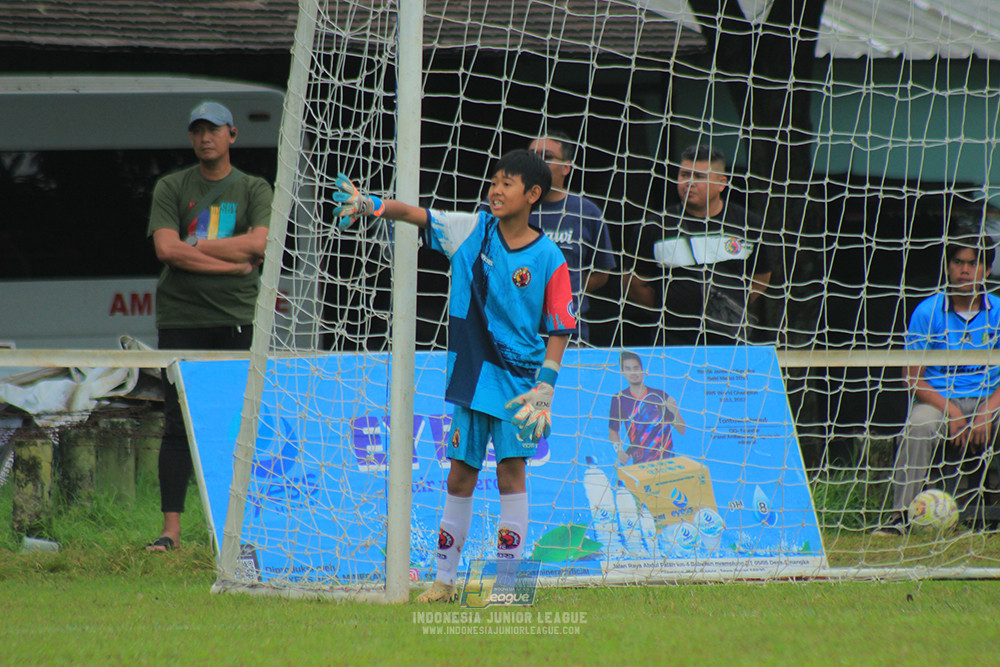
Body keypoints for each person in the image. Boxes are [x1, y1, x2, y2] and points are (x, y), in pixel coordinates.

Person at [331, 149, 576, 602]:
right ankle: (442, 582)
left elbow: (560, 328)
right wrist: (373, 205)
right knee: (459, 478)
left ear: (533, 194)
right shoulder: (472, 231)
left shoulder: (549, 257)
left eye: (507, 183)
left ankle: (507, 586)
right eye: (494, 181)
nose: (496, 189)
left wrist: (546, 389)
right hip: (471, 379)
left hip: (520, 388)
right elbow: (417, 214)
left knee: (511, 477)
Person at [145, 101, 272, 551]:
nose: (205, 138)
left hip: (236, 317)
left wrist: (196, 243)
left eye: (214, 130)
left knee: (241, 423)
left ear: (232, 135)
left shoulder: (254, 187)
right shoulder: (171, 186)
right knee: (177, 424)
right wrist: (228, 263)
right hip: (182, 318)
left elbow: (260, 244)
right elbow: (166, 250)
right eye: (197, 130)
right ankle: (170, 532)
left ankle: (242, 529)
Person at [874, 221, 1000, 536]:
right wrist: (952, 411)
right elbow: (913, 379)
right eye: (958, 262)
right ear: (947, 266)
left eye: (974, 263)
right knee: (917, 426)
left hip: (991, 400)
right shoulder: (926, 312)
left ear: (986, 269)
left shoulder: (998, 310)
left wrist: (986, 410)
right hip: (941, 402)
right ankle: (900, 517)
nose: (965, 270)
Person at [626, 144, 772, 345]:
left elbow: (761, 277)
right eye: (684, 175)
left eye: (699, 177)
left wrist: (732, 303)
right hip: (673, 343)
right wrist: (671, 311)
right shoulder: (653, 226)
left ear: (721, 183)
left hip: (730, 343)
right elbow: (634, 284)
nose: (689, 183)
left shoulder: (749, 224)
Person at [527, 131, 616, 345]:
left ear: (566, 167)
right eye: (531, 156)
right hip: (514, 328)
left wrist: (565, 289)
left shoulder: (586, 211)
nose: (537, 163)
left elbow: (602, 272)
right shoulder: (506, 205)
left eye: (547, 157)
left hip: (567, 330)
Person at [609, 351, 686, 465]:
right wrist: (619, 451)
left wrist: (675, 411)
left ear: (642, 369)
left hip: (667, 462)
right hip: (641, 464)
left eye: (636, 368)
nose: (633, 372)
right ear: (623, 372)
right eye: (628, 369)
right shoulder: (619, 399)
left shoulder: (660, 395)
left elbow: (681, 430)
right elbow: (613, 430)